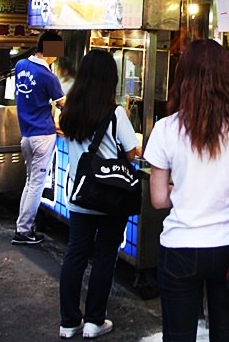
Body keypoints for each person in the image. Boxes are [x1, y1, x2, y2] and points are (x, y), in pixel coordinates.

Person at [144, 39, 229, 342]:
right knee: (227, 335)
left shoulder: (166, 129)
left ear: (183, 76)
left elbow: (159, 199)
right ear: (226, 76)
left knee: (178, 336)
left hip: (180, 248)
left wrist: (186, 187)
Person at [58, 49, 141, 339]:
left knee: (75, 254)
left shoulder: (70, 108)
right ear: (111, 79)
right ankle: (94, 321)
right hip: (108, 197)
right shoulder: (116, 112)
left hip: (79, 194)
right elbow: (132, 152)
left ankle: (68, 322)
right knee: (105, 257)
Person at [12, 31, 66, 245]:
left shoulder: (21, 66)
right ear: (51, 51)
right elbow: (63, 104)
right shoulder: (48, 76)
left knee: (29, 181)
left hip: (26, 134)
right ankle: (24, 231)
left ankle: (22, 226)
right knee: (36, 183)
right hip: (42, 134)